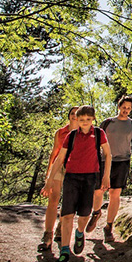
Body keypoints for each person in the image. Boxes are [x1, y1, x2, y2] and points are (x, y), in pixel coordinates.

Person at [43, 105, 111, 262]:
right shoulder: (71, 136)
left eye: (88, 119)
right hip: (71, 177)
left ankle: (80, 232)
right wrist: (49, 180)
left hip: (89, 178)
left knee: (84, 214)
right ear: (76, 120)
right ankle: (65, 250)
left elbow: (108, 154)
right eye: (81, 120)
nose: (85, 122)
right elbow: (60, 158)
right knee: (67, 215)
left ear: (93, 119)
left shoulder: (99, 133)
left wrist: (106, 176)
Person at [86, 95, 132, 242]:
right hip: (104, 161)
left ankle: (108, 227)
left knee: (115, 194)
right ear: (119, 106)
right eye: (124, 107)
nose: (126, 110)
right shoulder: (107, 123)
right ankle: (96, 213)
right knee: (98, 192)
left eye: (129, 108)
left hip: (123, 161)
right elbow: (95, 143)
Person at [38, 106, 79, 252]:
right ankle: (47, 235)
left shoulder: (85, 133)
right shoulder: (60, 132)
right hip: (59, 167)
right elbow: (54, 152)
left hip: (74, 169)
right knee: (53, 199)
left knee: (69, 202)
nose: (74, 116)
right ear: (69, 116)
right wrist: (48, 173)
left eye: (77, 114)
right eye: (72, 113)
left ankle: (61, 227)